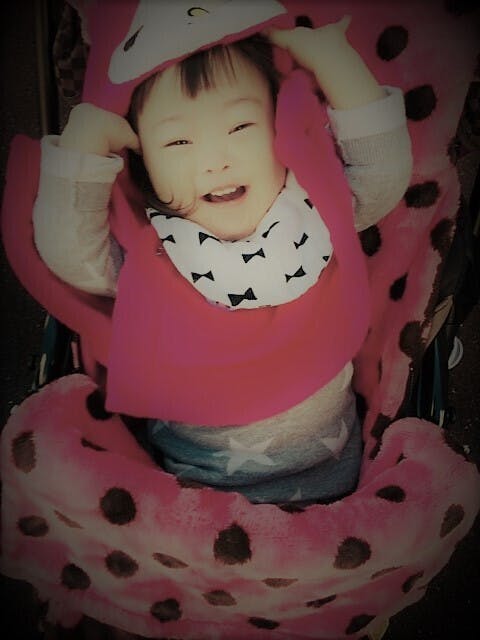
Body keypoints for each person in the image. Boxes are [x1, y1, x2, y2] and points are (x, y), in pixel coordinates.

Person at [33, 16, 412, 505]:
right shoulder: (149, 253)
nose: (216, 160)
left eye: (240, 126)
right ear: (143, 161)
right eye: (178, 142)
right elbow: (70, 255)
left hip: (335, 492)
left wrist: (330, 58)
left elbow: (383, 173)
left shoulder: (315, 213)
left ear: (280, 127)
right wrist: (84, 145)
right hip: (195, 500)